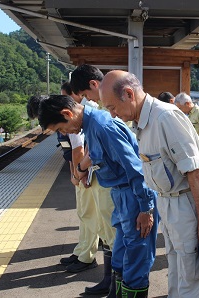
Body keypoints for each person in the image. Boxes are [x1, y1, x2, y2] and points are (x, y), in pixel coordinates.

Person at [99, 70, 199, 298]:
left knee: (192, 280)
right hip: (170, 203)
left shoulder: (165, 118)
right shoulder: (143, 122)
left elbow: (196, 173)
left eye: (112, 107)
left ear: (128, 94)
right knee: (176, 274)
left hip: (189, 204)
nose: (113, 115)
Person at [38, 95, 158, 298]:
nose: (64, 133)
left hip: (133, 195)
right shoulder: (91, 126)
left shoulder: (103, 127)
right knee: (121, 256)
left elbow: (135, 170)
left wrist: (146, 209)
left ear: (67, 114)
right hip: (120, 195)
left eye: (60, 129)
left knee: (136, 259)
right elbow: (96, 155)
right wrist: (81, 169)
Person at [27, 93, 100, 274]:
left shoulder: (70, 124)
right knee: (83, 215)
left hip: (86, 175)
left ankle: (87, 256)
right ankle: (81, 251)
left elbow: (78, 150)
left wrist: (77, 175)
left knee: (88, 215)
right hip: (81, 173)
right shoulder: (64, 123)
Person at [61, 81, 117, 295]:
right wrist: (82, 168)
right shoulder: (93, 119)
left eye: (84, 94)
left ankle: (115, 285)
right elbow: (91, 152)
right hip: (97, 179)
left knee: (111, 232)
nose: (87, 99)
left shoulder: (99, 119)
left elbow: (131, 165)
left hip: (108, 183)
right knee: (105, 230)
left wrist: (78, 172)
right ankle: (109, 281)